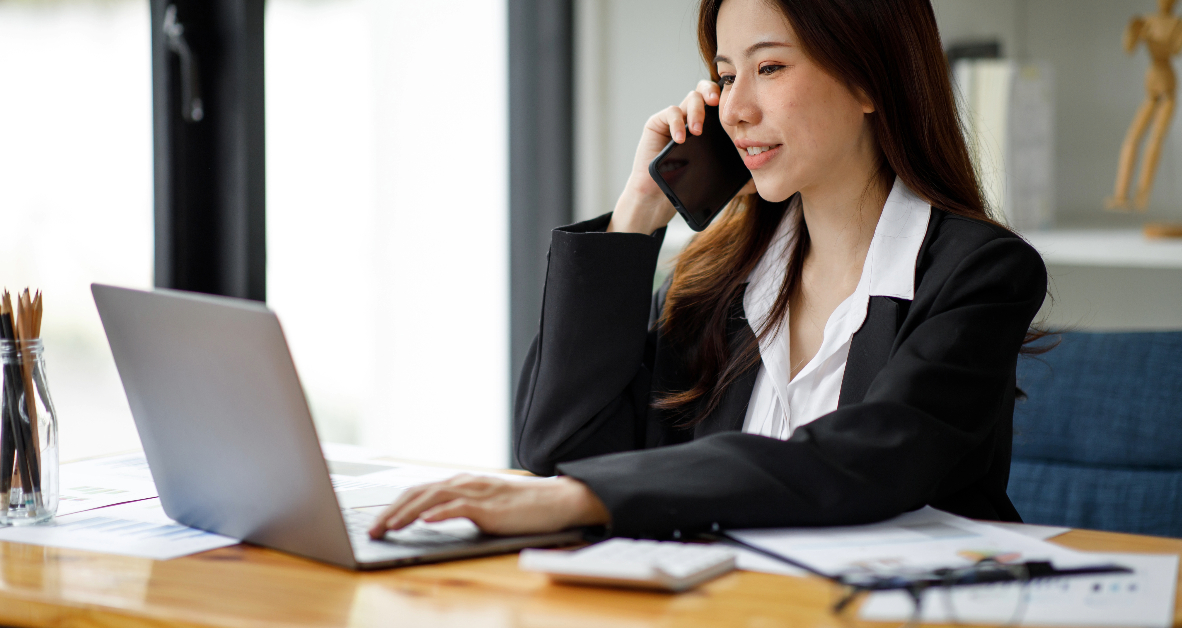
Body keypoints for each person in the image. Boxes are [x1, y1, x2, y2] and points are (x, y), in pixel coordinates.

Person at [370, 0, 1047, 541]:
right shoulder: (718, 281)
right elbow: (560, 447)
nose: (735, 108)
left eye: (770, 68)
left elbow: (868, 459)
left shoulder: (979, 275)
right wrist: (637, 212)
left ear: (870, 77)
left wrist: (589, 498)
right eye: (725, 77)